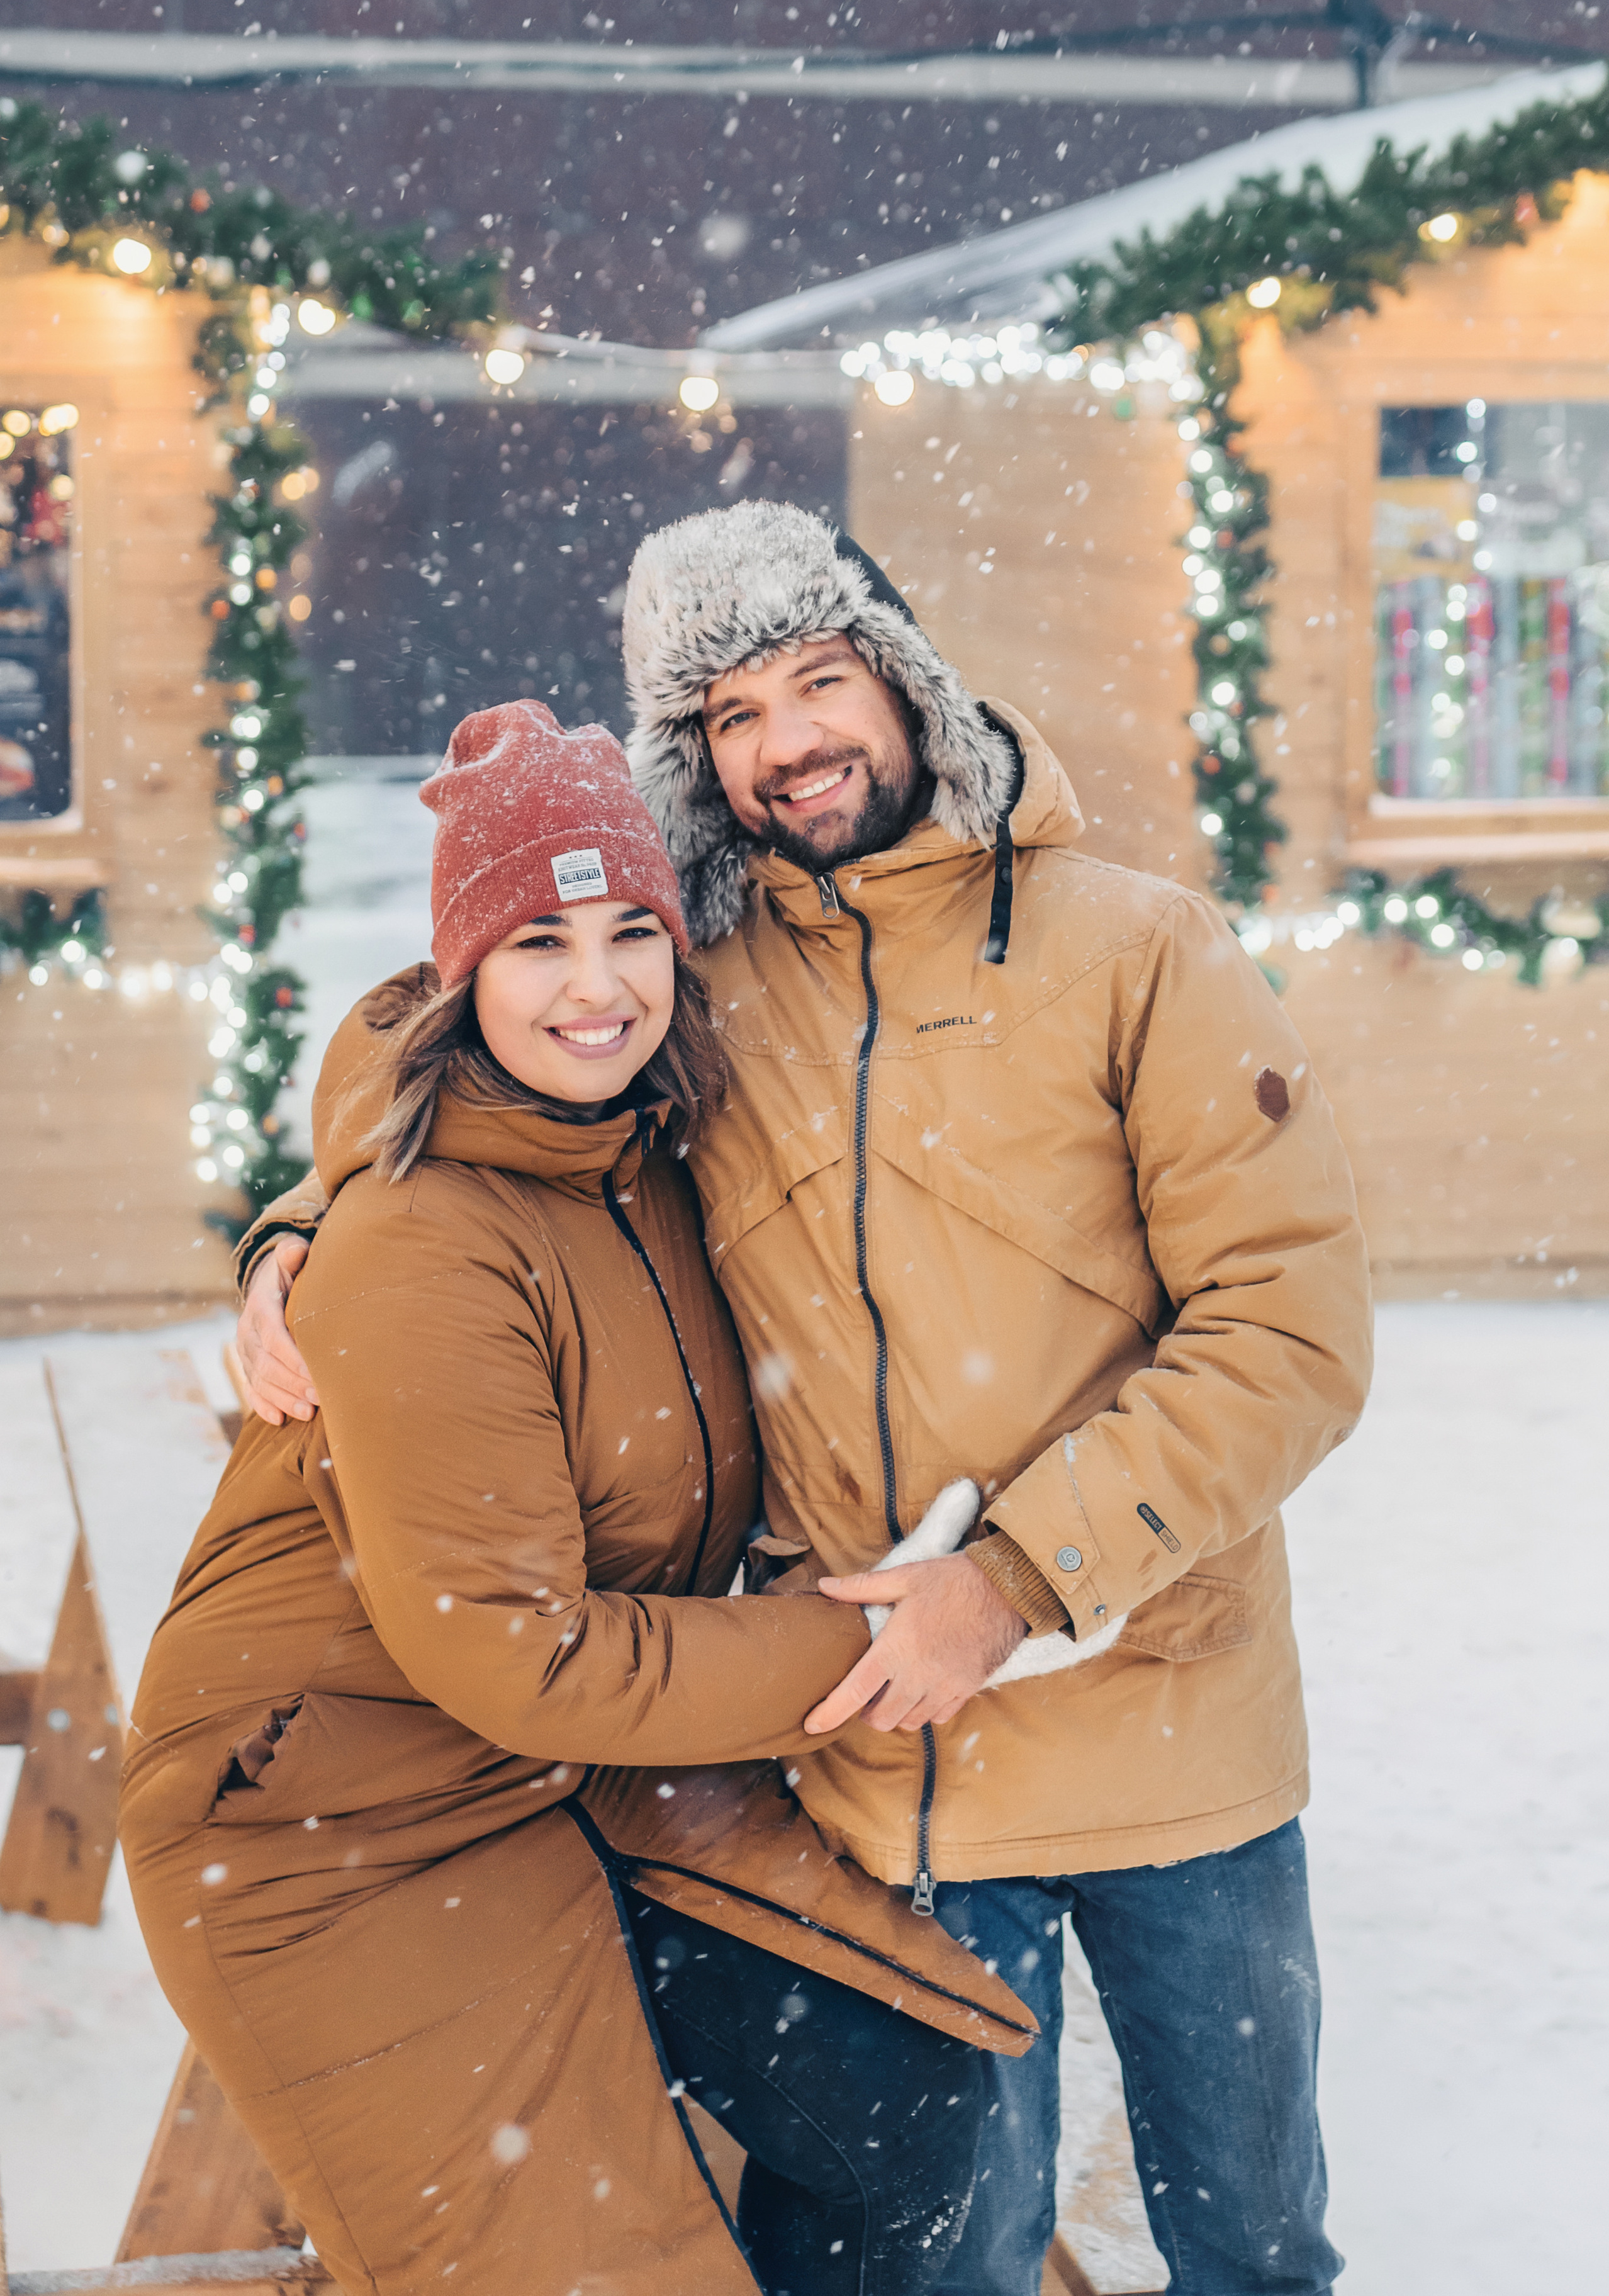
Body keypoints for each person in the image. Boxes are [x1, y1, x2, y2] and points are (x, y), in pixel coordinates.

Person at [239, 502, 1375, 2296]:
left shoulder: (1139, 948)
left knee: (1249, 2245)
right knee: (928, 2261)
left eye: (819, 678)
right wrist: (310, 1221)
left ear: (907, 682)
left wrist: (1009, 1583)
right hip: (883, 1766)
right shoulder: (698, 986)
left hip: (1173, 1738)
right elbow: (471, 1046)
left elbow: (1291, 1331)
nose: (790, 742)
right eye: (732, 718)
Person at [121, 699, 1034, 2296]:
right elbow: (513, 1654)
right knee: (594, 2262)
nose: (596, 986)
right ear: (465, 971)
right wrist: (872, 1643)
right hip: (334, 1803)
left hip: (579, 1757)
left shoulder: (653, 1146)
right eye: (537, 939)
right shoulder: (417, 1241)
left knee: (910, 2099)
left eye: (630, 931)